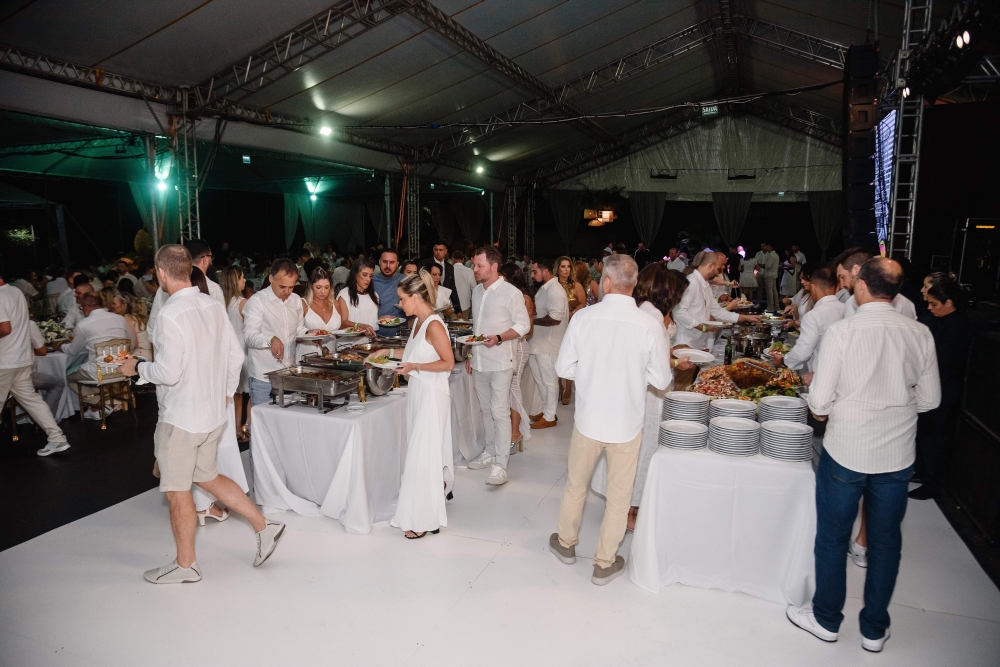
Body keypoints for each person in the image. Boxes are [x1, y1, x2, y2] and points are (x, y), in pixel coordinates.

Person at [788, 257, 940, 653]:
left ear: (860, 285)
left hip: (846, 449)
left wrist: (842, 403)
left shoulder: (843, 332)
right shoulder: (920, 333)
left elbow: (819, 403)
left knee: (833, 538)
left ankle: (826, 619)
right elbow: (930, 400)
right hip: (897, 454)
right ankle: (874, 630)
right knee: (885, 544)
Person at [120, 245, 284, 584]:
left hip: (181, 418)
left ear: (161, 274)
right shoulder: (212, 304)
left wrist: (137, 368)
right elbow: (236, 356)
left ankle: (186, 565)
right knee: (207, 477)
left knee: (177, 490)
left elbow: (168, 372)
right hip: (212, 415)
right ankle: (264, 526)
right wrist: (224, 392)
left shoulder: (170, 314)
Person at [548, 254, 672, 586]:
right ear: (634, 284)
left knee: (576, 485)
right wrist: (635, 375)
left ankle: (566, 544)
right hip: (626, 423)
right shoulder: (650, 324)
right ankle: (604, 563)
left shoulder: (584, 318)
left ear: (605, 282)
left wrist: (590, 374)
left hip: (588, 419)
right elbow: (662, 380)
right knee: (620, 496)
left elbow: (563, 368)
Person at [368, 271, 455, 538]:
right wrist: (386, 352)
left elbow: (448, 363)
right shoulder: (418, 322)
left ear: (416, 297)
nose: (399, 304)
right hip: (419, 392)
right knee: (421, 455)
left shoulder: (434, 325)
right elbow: (412, 354)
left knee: (422, 456)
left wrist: (414, 367)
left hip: (432, 395)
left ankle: (423, 519)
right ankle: (425, 510)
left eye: (402, 299)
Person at [625, 264, 692, 531]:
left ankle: (635, 503)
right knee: (645, 448)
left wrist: (671, 355)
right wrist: (675, 363)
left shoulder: (645, 310)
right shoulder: (650, 315)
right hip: (649, 393)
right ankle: (630, 509)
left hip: (645, 390)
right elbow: (648, 363)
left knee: (644, 447)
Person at [465, 246, 531, 486]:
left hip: (502, 361)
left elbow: (524, 325)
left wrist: (500, 337)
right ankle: (490, 451)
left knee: (499, 411)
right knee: (485, 410)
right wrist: (471, 354)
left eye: (479, 265)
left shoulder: (511, 293)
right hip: (480, 360)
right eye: (475, 265)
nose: (475, 269)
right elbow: (477, 327)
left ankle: (501, 465)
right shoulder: (476, 291)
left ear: (493, 267)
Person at [910, 275, 974, 500]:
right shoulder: (933, 318)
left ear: (949, 303)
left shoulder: (959, 326)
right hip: (924, 384)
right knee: (921, 432)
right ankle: (920, 470)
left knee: (933, 436)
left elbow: (943, 360)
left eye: (934, 304)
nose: (929, 307)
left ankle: (933, 483)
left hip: (944, 389)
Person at [0, 261, 72, 457]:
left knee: (31, 401)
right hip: (22, 358)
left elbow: (5, 328)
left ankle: (57, 438)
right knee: (33, 401)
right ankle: (57, 438)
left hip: (4, 361)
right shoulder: (15, 292)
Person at [242, 258, 306, 416]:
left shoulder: (296, 301)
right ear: (271, 278)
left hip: (288, 373)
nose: (287, 291)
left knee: (287, 421)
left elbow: (298, 330)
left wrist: (310, 334)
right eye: (282, 286)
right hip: (263, 376)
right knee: (262, 422)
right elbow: (249, 336)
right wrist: (270, 339)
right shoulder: (257, 301)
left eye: (291, 287)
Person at [63, 292, 136, 420]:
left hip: (99, 372)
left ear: (88, 306)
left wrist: (61, 346)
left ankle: (97, 404)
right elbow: (131, 344)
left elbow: (72, 351)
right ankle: (96, 408)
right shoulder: (120, 319)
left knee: (66, 376)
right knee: (86, 368)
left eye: (82, 307)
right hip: (122, 369)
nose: (82, 310)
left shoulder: (83, 324)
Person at [770, 266, 844, 382]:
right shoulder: (845, 308)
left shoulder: (814, 315)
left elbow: (802, 353)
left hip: (816, 374)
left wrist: (783, 360)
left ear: (813, 287)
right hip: (839, 374)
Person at [673, 252, 758, 350]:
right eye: (718, 269)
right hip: (686, 343)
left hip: (698, 342)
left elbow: (718, 312)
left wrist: (746, 318)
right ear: (710, 266)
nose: (718, 273)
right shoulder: (691, 282)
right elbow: (678, 312)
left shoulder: (705, 285)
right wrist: (702, 327)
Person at [149, 239, 224, 337]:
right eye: (211, 257)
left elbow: (152, 329)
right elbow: (223, 332)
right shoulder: (214, 290)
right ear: (205, 259)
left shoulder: (164, 291)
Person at [528, 257, 569, 430]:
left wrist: (531, 321)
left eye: (534, 271)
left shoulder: (555, 290)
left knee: (550, 381)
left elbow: (555, 318)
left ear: (545, 271)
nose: (532, 275)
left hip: (549, 345)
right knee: (541, 380)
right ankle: (547, 411)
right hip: (538, 344)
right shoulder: (545, 288)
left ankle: (550, 416)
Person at [498, 263, 534, 455]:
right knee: (507, 389)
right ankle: (511, 432)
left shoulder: (523, 298)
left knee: (513, 388)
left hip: (518, 347)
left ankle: (515, 433)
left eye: (501, 276)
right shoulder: (508, 295)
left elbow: (528, 329)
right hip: (507, 347)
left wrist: (506, 334)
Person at [835, 248, 917, 320]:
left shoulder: (853, 303)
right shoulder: (907, 304)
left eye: (842, 277)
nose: (842, 285)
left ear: (856, 271)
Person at [221, 265, 251, 442]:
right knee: (251, 393)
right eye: (242, 277)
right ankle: (246, 427)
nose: (245, 280)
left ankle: (235, 429)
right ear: (235, 280)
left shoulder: (220, 303)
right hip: (243, 352)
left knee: (235, 395)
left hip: (226, 354)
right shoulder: (243, 303)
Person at [555, 256, 585, 405]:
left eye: (568, 266)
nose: (566, 269)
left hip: (572, 324)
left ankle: (568, 387)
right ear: (557, 269)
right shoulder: (553, 285)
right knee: (556, 354)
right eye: (563, 266)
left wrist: (571, 314)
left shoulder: (576, 285)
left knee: (570, 355)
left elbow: (583, 303)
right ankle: (558, 385)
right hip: (556, 325)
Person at [299, 266, 342, 360]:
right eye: (318, 287)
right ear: (311, 286)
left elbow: (339, 331)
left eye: (326, 287)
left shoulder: (335, 303)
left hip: (331, 355)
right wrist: (308, 333)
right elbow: (294, 331)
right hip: (308, 355)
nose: (323, 292)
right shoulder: (303, 304)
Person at [335, 256, 379, 337]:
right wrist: (361, 326)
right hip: (350, 341)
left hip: (371, 340)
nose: (368, 279)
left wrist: (383, 318)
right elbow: (343, 322)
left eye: (370, 276)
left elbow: (370, 317)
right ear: (355, 274)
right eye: (364, 275)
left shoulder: (374, 295)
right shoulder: (344, 294)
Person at [419, 239, 460, 312]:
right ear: (433, 250)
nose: (438, 252)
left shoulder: (450, 267)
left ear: (445, 251)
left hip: (444, 307)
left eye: (440, 250)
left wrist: (458, 309)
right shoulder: (424, 264)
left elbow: (452, 288)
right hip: (427, 304)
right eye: (436, 250)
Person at [111, 292, 153, 361]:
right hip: (145, 353)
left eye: (114, 304)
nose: (112, 306)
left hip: (140, 354)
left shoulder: (127, 318)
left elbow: (133, 343)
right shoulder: (135, 317)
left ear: (124, 305)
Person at [372, 249, 404, 336]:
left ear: (397, 264)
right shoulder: (370, 282)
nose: (388, 266)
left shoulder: (405, 281)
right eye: (385, 262)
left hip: (400, 336)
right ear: (379, 262)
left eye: (392, 262)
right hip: (375, 335)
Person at [451, 250, 475, 318]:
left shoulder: (449, 270)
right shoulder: (469, 271)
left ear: (453, 259)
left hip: (451, 306)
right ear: (463, 259)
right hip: (465, 304)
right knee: (464, 324)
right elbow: (474, 288)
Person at [759, 242, 780, 311]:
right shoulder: (776, 255)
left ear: (771, 247)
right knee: (774, 290)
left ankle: (770, 307)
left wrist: (761, 265)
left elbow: (768, 266)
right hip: (774, 274)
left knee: (769, 291)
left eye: (767, 246)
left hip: (769, 275)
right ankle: (776, 306)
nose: (766, 248)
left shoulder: (771, 255)